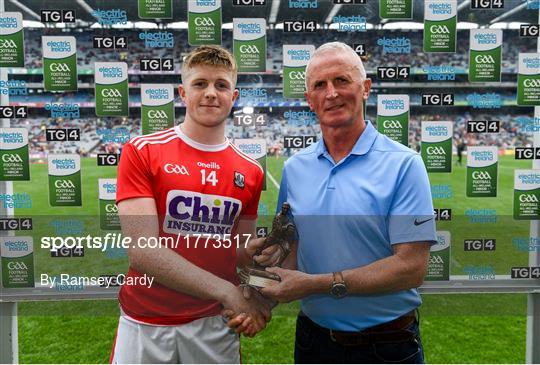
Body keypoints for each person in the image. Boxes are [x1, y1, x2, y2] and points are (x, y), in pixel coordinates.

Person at [259, 42, 437, 363]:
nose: (331, 93)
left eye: (342, 80)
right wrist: (254, 300)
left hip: (388, 344)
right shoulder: (294, 169)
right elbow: (291, 254)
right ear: (309, 100)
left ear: (365, 88)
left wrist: (316, 284)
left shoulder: (404, 164)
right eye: (319, 85)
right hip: (314, 341)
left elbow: (411, 268)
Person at [111, 45, 273, 363]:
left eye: (221, 85)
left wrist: (259, 292)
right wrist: (228, 292)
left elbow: (240, 254)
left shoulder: (251, 171)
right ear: (183, 93)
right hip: (145, 321)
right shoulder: (142, 151)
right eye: (200, 84)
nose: (211, 93)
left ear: (234, 96)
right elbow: (143, 252)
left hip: (214, 324)